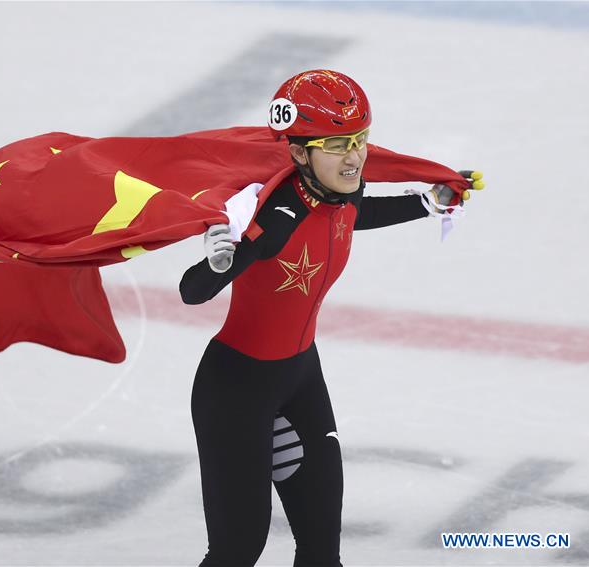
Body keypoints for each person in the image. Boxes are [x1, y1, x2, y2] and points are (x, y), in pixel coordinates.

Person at [180, 70, 483, 567]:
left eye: (360, 140)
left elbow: (354, 214)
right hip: (234, 390)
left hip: (300, 379)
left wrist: (426, 203)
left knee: (322, 553)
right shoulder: (272, 217)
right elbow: (193, 293)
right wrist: (218, 261)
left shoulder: (342, 193)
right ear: (298, 152)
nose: (355, 156)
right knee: (238, 550)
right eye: (337, 143)